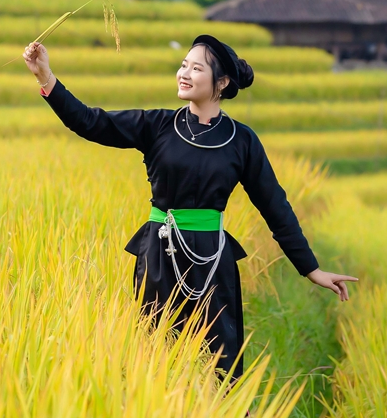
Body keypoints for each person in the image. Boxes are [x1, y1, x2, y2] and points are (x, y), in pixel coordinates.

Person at [23, 34, 357, 380]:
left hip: (213, 264)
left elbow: (275, 207)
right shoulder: (157, 126)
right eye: (183, 65)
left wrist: (311, 269)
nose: (184, 73)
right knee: (154, 354)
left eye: (196, 68)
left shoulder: (242, 141)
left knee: (219, 363)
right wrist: (45, 77)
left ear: (221, 82)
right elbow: (92, 122)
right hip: (159, 256)